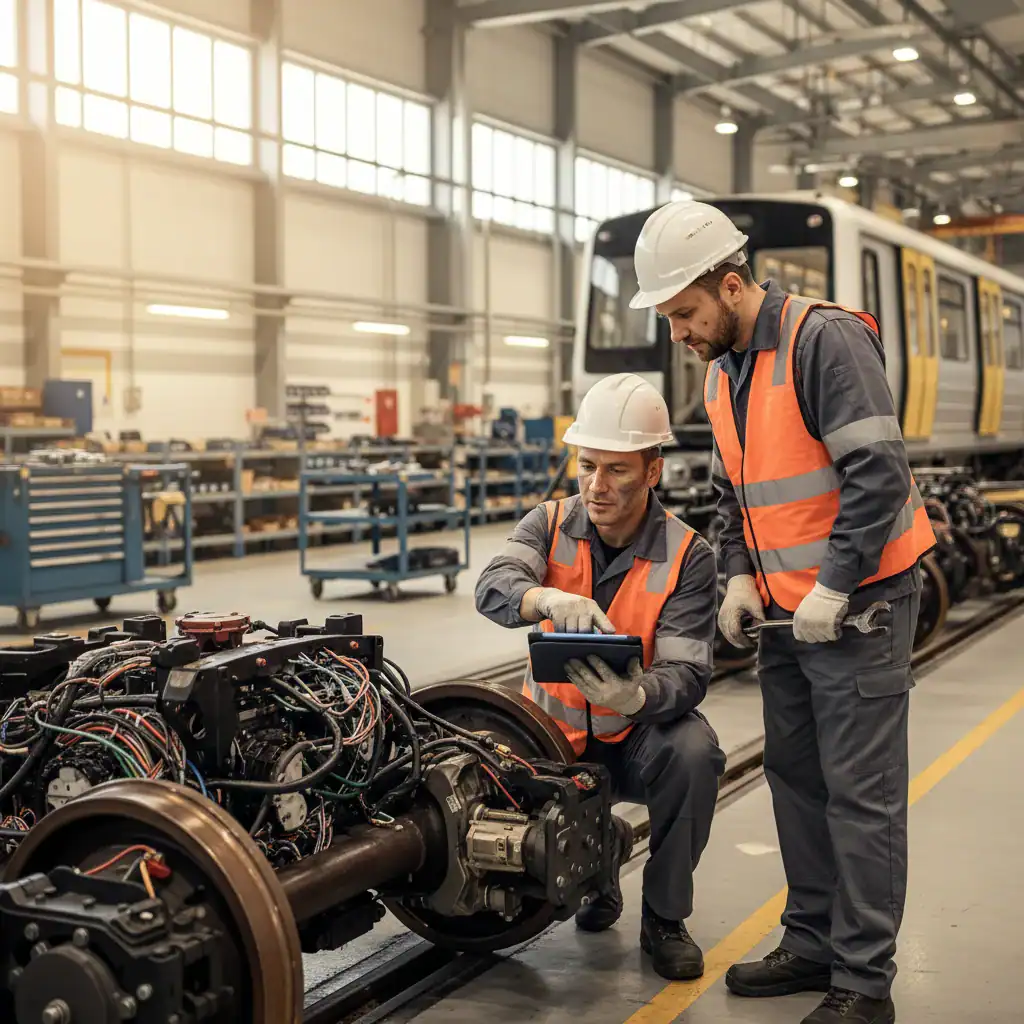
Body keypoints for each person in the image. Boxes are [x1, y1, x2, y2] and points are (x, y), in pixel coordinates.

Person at [627, 200, 935, 1024]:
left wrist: (835, 582)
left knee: (860, 796)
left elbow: (878, 473)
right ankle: (811, 942)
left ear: (731, 286)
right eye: (668, 319)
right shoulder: (721, 371)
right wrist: (736, 578)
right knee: (796, 781)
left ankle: (864, 985)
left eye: (686, 313)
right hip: (786, 620)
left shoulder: (823, 341)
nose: (679, 334)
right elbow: (734, 491)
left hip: (859, 609)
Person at [474, 372, 726, 981]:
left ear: (652, 472)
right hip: (552, 744)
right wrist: (543, 600)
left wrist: (638, 694)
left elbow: (688, 671)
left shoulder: (689, 556)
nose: (596, 484)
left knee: (694, 751)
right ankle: (598, 867)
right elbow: (492, 587)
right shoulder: (549, 522)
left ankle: (663, 919)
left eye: (616, 470)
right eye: (587, 465)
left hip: (632, 740)